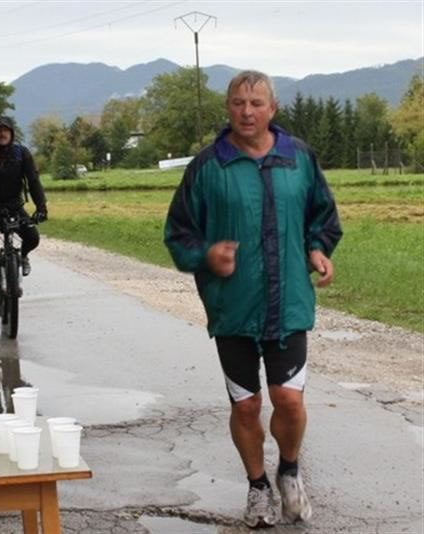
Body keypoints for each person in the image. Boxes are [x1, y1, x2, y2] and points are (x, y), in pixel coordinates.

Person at [164, 71, 342, 528]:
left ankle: (289, 471)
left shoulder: (298, 158)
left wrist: (318, 248)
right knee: (245, 405)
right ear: (228, 107)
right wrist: (207, 255)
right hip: (233, 307)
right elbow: (179, 232)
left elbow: (322, 215)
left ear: (272, 108)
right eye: (238, 103)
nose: (247, 112)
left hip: (289, 304)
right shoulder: (208, 166)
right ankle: (258, 487)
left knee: (288, 400)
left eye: (256, 103)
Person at [0, 116, 48, 318]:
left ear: (12, 133)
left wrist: (41, 207)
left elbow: (33, 181)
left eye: (6, 130)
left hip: (14, 208)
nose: (2, 134)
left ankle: (23, 256)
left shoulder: (22, 153)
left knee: (32, 237)